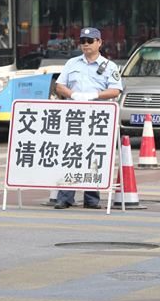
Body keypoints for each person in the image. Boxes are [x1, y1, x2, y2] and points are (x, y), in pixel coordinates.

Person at [53, 27, 123, 209]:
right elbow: (59, 86)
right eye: (82, 41)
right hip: (74, 117)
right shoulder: (72, 63)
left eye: (90, 41)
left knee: (94, 156)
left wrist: (94, 96)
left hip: (97, 117)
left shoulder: (110, 66)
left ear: (99, 43)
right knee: (71, 154)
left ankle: (91, 198)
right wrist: (74, 94)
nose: (85, 44)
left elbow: (115, 90)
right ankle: (65, 197)